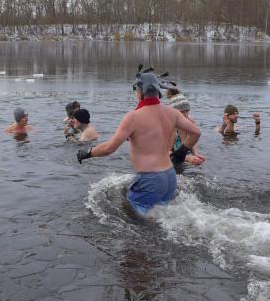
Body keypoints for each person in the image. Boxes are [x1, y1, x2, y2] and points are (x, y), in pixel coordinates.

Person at [76, 67, 201, 215]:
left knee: (132, 216)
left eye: (136, 90)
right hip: (170, 177)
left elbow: (110, 147)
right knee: (162, 216)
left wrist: (88, 153)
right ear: (158, 90)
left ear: (140, 92)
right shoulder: (172, 113)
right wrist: (182, 150)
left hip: (150, 179)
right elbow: (196, 132)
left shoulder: (133, 117)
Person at [168, 95, 205, 166]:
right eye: (182, 112)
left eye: (187, 111)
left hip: (180, 155)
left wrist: (195, 154)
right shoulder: (169, 127)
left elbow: (191, 140)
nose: (185, 115)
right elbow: (164, 153)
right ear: (173, 112)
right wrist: (187, 158)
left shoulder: (189, 122)